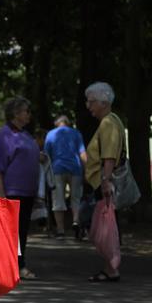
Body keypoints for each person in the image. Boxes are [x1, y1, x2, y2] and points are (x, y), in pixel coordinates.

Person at [0, 96, 45, 280]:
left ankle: (16, 266)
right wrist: (0, 193)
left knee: (22, 230)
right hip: (13, 192)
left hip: (27, 192)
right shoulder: (4, 135)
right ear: (16, 114)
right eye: (26, 112)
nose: (29, 115)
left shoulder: (24, 134)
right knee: (13, 232)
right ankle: (16, 267)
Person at [84, 82, 123, 282]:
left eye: (91, 102)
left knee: (105, 228)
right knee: (106, 226)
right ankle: (110, 267)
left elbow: (108, 155)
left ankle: (111, 268)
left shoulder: (108, 123)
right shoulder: (112, 121)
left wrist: (106, 180)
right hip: (105, 181)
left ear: (103, 102)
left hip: (105, 182)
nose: (88, 106)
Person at [44, 115, 87, 240]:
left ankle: (61, 230)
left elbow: (46, 155)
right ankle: (76, 220)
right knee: (76, 198)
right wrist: (86, 172)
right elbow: (82, 153)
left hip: (58, 169)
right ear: (68, 123)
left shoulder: (51, 134)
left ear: (56, 123)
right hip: (76, 168)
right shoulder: (76, 133)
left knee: (58, 199)